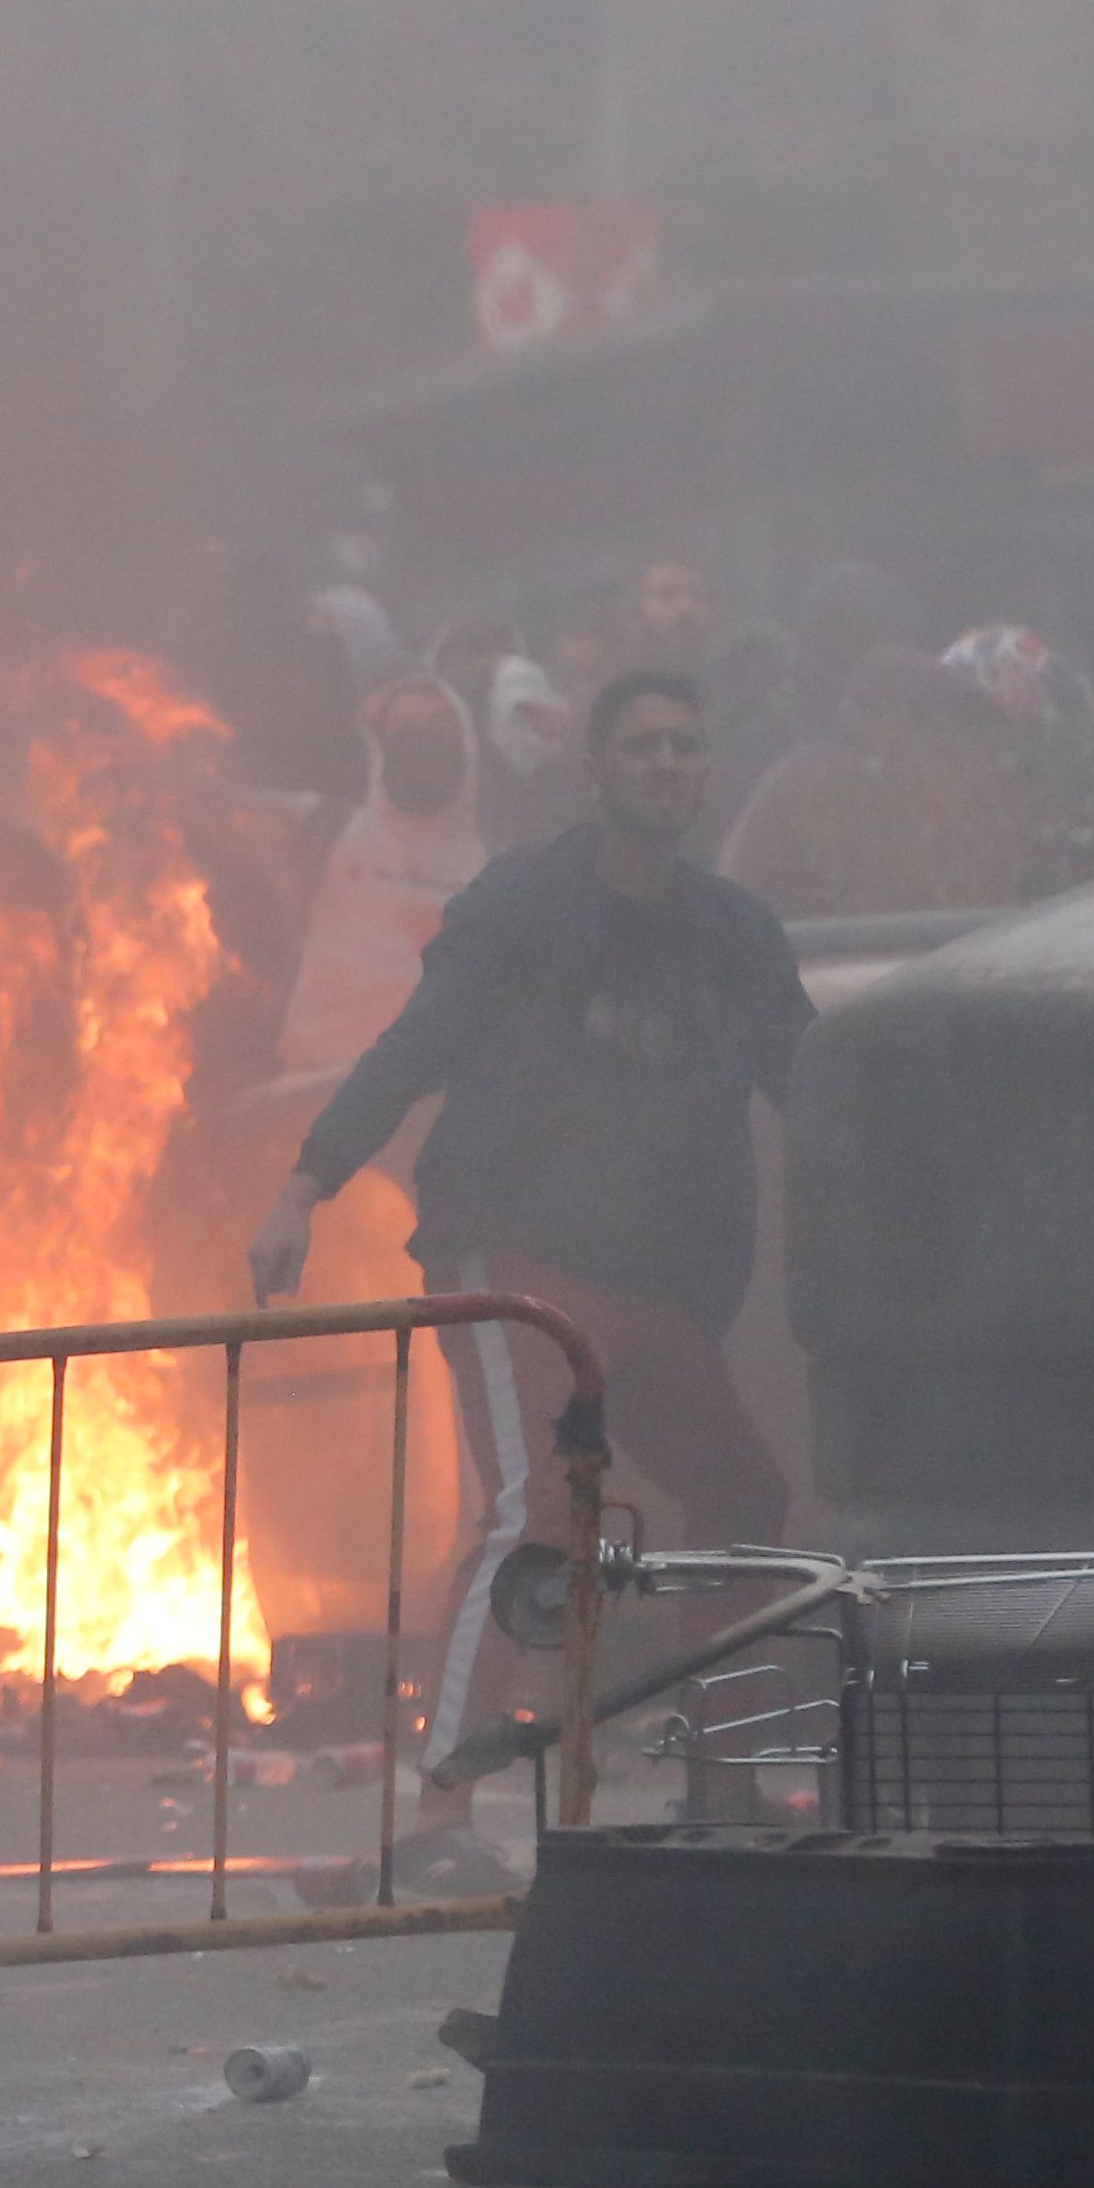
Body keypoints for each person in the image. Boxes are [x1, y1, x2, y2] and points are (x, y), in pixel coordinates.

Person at [246, 670, 811, 1827]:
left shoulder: (732, 937)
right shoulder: (525, 906)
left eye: (686, 745)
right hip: (512, 1260)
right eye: (644, 744)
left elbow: (817, 1089)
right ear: (595, 769)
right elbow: (412, 1047)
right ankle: (440, 1812)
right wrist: (303, 1189)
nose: (667, 763)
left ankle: (726, 1776)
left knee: (744, 1489)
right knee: (539, 1511)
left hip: (660, 1287)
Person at [273, 666, 486, 1081]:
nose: (421, 738)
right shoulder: (322, 831)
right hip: (314, 1092)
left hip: (436, 1105)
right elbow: (211, 806)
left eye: (438, 724)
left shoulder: (502, 870)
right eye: (404, 726)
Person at [716, 644, 1034, 916]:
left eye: (972, 733)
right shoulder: (815, 792)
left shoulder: (985, 819)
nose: (968, 752)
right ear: (879, 723)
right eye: (928, 722)